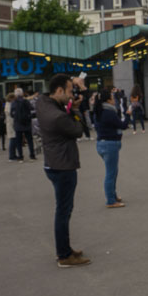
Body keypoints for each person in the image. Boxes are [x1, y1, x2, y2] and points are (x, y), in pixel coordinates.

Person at [37, 74, 90, 267]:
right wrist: (75, 109)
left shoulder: (43, 102)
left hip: (52, 163)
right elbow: (78, 130)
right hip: (63, 166)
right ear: (59, 91)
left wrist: (72, 84)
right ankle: (64, 255)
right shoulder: (58, 117)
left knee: (63, 210)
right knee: (63, 211)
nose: (71, 95)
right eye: (69, 91)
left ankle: (65, 249)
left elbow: (51, 93)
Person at [93, 86, 128, 208]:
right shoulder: (109, 113)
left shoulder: (99, 111)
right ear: (108, 100)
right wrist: (128, 115)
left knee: (113, 171)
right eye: (112, 97)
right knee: (111, 173)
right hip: (110, 144)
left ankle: (112, 195)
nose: (114, 100)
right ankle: (111, 200)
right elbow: (123, 125)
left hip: (101, 144)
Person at [11, 88, 36, 160]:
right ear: (22, 94)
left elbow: (11, 114)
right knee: (30, 140)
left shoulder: (14, 103)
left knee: (19, 141)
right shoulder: (26, 101)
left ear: (15, 94)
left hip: (18, 124)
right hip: (27, 123)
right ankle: (32, 155)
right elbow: (32, 108)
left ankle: (20, 156)